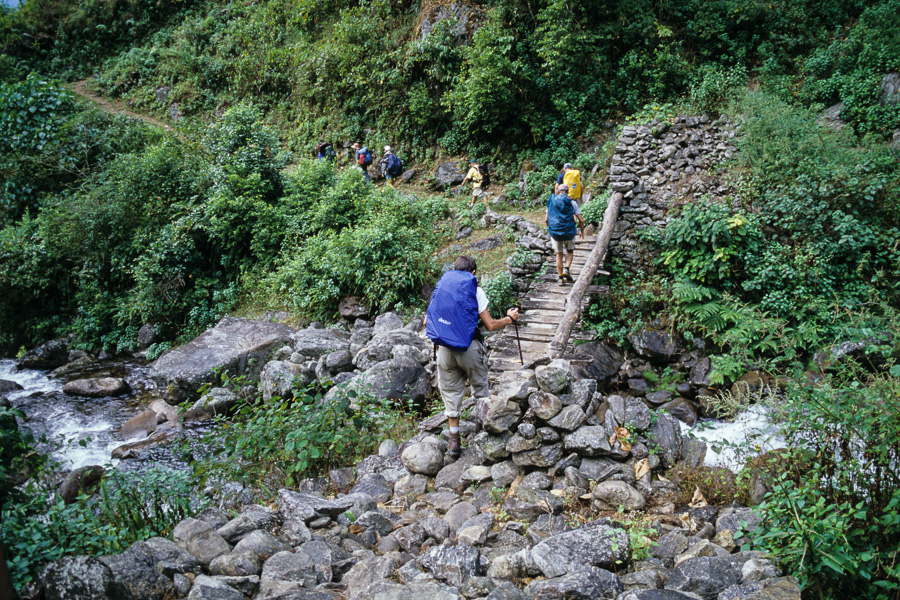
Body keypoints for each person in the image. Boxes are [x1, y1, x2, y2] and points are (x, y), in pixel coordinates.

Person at [425, 256, 519, 459]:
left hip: (445, 351)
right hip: (469, 348)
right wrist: (509, 319)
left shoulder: (442, 289)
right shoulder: (475, 290)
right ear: (473, 273)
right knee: (480, 391)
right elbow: (491, 325)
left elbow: (427, 321)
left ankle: (453, 443)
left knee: (450, 394)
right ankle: (481, 437)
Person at [545, 183, 585, 285]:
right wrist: (582, 231)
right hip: (568, 231)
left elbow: (546, 219)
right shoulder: (572, 202)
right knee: (569, 251)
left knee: (559, 254)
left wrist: (550, 229)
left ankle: (560, 279)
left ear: (558, 191)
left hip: (555, 232)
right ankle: (566, 269)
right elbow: (581, 220)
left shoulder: (552, 202)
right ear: (568, 191)